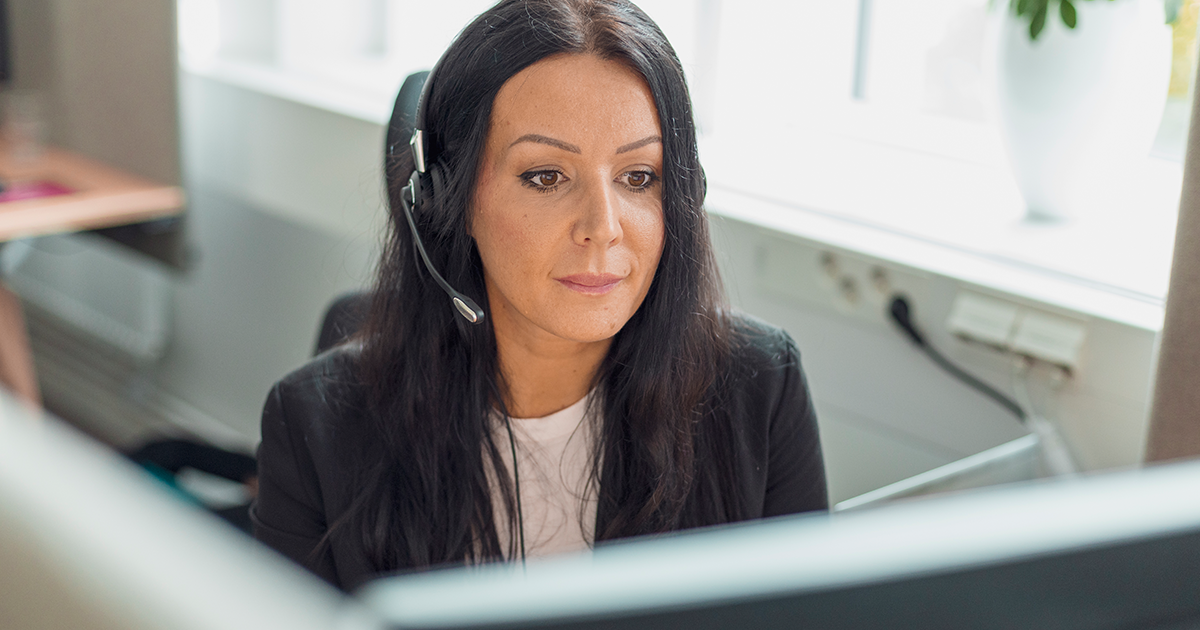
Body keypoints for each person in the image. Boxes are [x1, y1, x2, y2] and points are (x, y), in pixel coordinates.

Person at [252, 0, 827, 592]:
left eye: (638, 177)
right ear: (450, 199)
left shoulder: (761, 387)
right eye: (546, 176)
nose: (603, 226)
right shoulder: (312, 426)